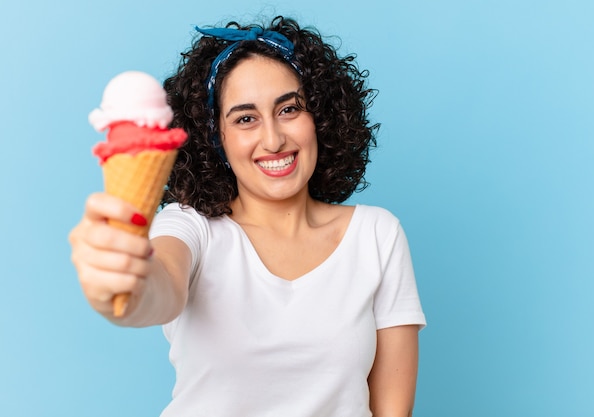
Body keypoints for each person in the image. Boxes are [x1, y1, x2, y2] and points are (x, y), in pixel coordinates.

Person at [69, 15, 426, 417]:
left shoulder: (377, 235)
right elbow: (159, 288)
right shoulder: (190, 226)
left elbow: (392, 410)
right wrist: (122, 283)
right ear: (215, 137)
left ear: (320, 117)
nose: (273, 140)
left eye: (289, 109)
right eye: (245, 118)